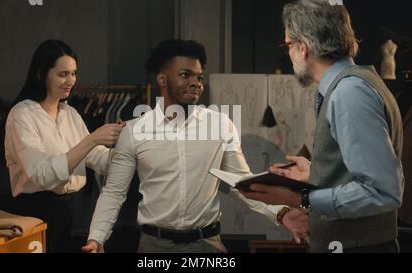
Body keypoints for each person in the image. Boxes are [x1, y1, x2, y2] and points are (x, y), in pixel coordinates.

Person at [82, 39, 307, 253]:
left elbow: (242, 184)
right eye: (184, 75)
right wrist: (96, 237)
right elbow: (114, 192)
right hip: (154, 246)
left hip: (206, 244)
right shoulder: (133, 131)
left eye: (199, 77)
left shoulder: (220, 125)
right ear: (162, 80)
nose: (195, 83)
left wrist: (282, 213)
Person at [242, 0, 404, 253]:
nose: (288, 53)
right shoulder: (352, 87)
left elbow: (382, 192)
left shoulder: (349, 93)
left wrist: (299, 198)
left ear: (303, 48)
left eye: (288, 45)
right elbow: (359, 172)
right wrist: (317, 173)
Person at [4, 40, 125, 252]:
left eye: (73, 73)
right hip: (32, 212)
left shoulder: (70, 114)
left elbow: (99, 159)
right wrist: (93, 138)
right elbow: (42, 174)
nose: (70, 81)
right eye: (63, 74)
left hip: (68, 210)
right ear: (42, 74)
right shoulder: (22, 115)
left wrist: (128, 145)